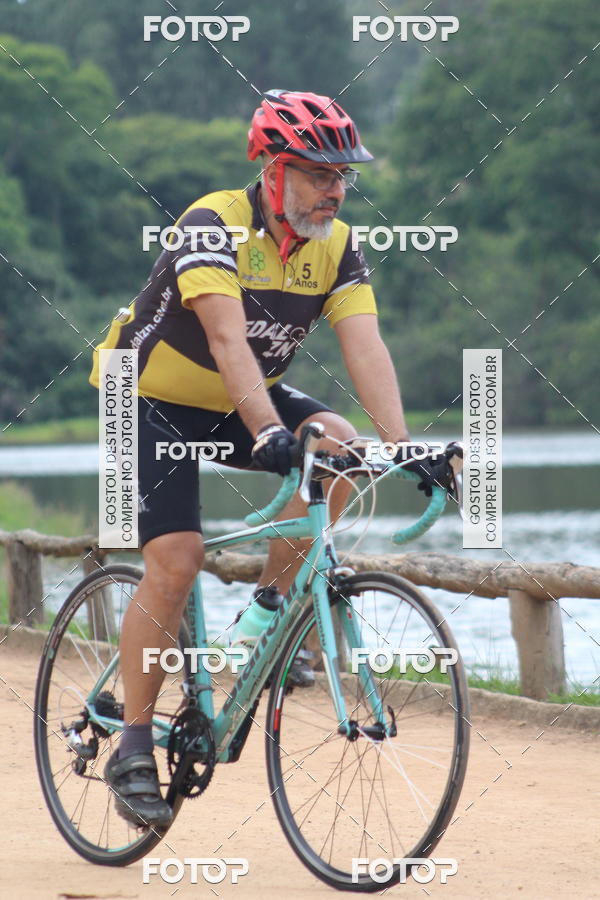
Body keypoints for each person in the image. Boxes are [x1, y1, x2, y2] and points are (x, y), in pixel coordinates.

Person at [89, 89, 441, 829]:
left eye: (343, 175)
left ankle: (266, 613)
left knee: (340, 446)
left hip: (235, 396)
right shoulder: (212, 225)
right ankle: (132, 745)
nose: (335, 190)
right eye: (318, 173)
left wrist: (404, 445)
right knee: (177, 560)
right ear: (273, 171)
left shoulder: (337, 245)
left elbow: (365, 347)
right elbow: (227, 341)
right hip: (142, 394)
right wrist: (267, 432)